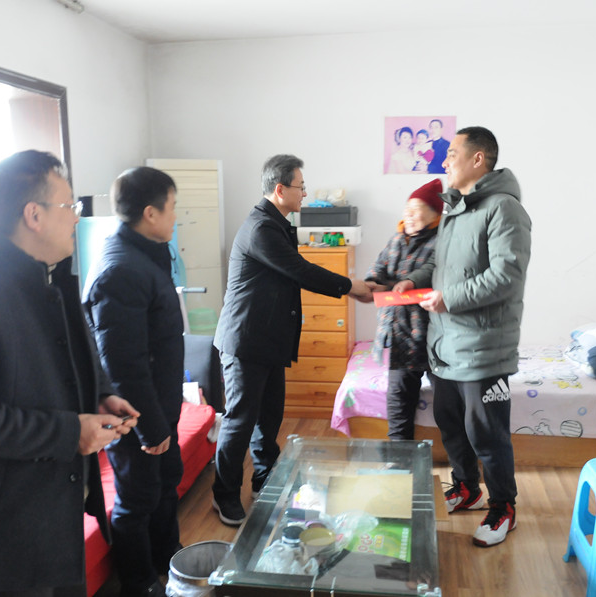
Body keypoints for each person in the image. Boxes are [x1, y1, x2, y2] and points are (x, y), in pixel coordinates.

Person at [0, 150, 139, 597]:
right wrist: (71, 433)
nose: (77, 217)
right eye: (69, 205)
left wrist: (100, 393)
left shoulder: (48, 279)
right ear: (33, 215)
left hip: (56, 516)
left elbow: (71, 357)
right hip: (4, 537)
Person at [211, 154, 373, 525]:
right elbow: (300, 271)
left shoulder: (279, 224)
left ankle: (265, 479)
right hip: (245, 341)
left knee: (269, 417)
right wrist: (351, 286)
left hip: (268, 339)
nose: (305, 193)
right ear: (280, 189)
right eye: (301, 187)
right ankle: (224, 495)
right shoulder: (260, 228)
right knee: (239, 421)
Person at [394, 126, 531, 547]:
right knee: (450, 423)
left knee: (486, 433)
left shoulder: (504, 209)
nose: (445, 161)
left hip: (482, 349)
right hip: (446, 344)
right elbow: (442, 266)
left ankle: (503, 507)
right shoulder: (455, 207)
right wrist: (414, 280)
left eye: (452, 153)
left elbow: (506, 276)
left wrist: (449, 299)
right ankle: (467, 487)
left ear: (478, 159)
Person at [82, 167, 185, 597]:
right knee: (136, 499)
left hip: (159, 406)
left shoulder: (146, 254)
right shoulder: (120, 270)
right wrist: (151, 429)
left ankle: (169, 560)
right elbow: (123, 365)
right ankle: (139, 582)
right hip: (136, 416)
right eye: (172, 207)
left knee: (165, 484)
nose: (176, 216)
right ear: (150, 213)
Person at [365, 178, 443, 441]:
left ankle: (457, 458)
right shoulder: (396, 239)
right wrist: (370, 283)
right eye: (406, 209)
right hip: (400, 337)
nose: (407, 215)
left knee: (449, 404)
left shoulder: (443, 241)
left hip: (433, 336)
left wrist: (410, 281)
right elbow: (378, 268)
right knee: (398, 406)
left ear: (434, 214)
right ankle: (398, 460)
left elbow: (434, 270)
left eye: (415, 210)